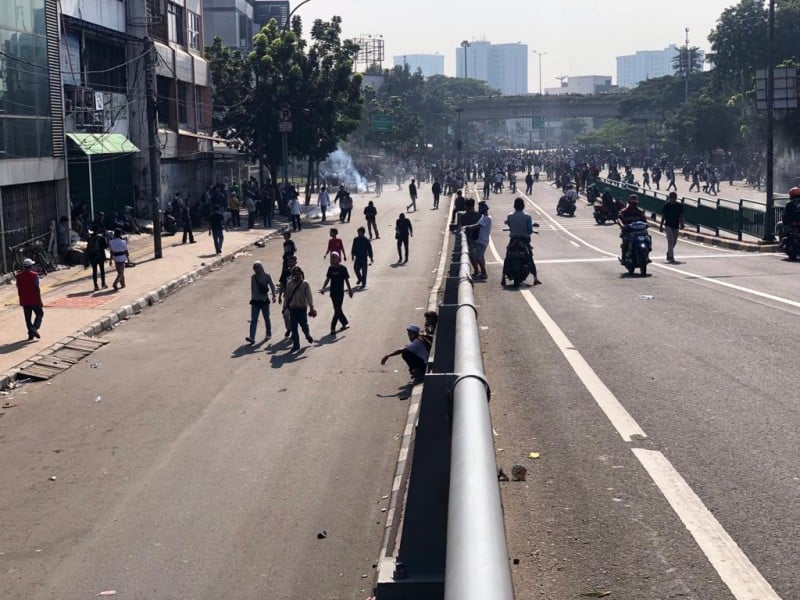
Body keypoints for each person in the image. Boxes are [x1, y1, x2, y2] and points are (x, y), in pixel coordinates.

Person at [505, 197, 541, 285]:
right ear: (523, 206)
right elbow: (529, 230)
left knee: (507, 256)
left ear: (514, 206)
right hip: (525, 240)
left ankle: (503, 277)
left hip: (513, 239)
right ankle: (535, 278)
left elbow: (510, 225)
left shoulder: (510, 216)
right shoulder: (527, 217)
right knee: (530, 258)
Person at [283, 265, 315, 352]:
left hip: (302, 309)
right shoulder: (289, 284)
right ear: (292, 275)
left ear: (301, 274)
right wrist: (284, 307)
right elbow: (287, 297)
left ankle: (307, 334)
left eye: (299, 274)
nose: (297, 275)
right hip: (293, 309)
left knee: (304, 325)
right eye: (295, 274)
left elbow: (309, 296)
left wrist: (311, 307)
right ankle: (296, 345)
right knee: (294, 328)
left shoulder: (305, 284)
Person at [320, 252, 354, 335]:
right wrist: (323, 288)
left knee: (337, 310)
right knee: (337, 309)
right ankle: (344, 323)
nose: (333, 259)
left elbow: (346, 280)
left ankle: (333, 327)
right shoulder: (331, 268)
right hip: (333, 293)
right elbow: (328, 279)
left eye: (334, 257)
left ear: (338, 259)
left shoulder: (343, 268)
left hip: (340, 293)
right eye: (332, 257)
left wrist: (350, 290)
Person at [246, 261, 277, 344]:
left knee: (266, 318)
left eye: (258, 267)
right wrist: (253, 298)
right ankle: (252, 337)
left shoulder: (267, 276)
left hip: (264, 301)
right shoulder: (253, 277)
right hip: (255, 301)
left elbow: (272, 286)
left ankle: (268, 333)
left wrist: (274, 295)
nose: (256, 269)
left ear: (261, 267)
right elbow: (252, 289)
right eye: (255, 267)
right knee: (254, 319)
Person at [462, 201, 492, 280]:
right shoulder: (483, 217)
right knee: (479, 257)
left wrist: (467, 227)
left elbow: (477, 226)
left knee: (478, 257)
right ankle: (481, 273)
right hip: (480, 240)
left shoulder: (487, 218)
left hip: (483, 240)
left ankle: (484, 273)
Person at [15, 258, 43, 340]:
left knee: (28, 318)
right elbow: (37, 288)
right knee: (39, 314)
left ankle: (31, 334)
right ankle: (34, 328)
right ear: (31, 266)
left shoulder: (18, 276)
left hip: (24, 300)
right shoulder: (34, 275)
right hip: (34, 299)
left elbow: (18, 286)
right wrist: (40, 300)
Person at [617, 194, 648, 259]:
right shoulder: (624, 211)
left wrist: (646, 224)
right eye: (632, 202)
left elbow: (644, 220)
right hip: (628, 231)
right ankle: (623, 257)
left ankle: (646, 254)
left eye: (635, 202)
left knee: (647, 238)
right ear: (629, 202)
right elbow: (619, 219)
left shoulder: (640, 212)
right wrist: (622, 225)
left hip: (639, 231)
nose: (633, 204)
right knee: (625, 242)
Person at [659, 191, 685, 263]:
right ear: (669, 198)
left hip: (676, 225)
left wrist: (682, 223)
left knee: (674, 241)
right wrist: (661, 225)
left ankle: (669, 252)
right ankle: (671, 257)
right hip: (668, 225)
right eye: (672, 198)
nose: (673, 199)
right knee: (670, 241)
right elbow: (663, 216)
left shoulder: (679, 205)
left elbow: (681, 215)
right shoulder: (666, 205)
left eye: (674, 198)